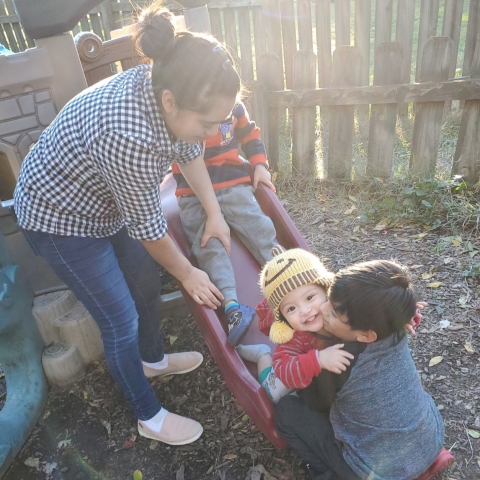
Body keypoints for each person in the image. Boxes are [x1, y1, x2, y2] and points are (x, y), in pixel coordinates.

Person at [13, 2, 241, 446]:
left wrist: (215, 213)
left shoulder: (164, 88)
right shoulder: (128, 135)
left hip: (103, 202)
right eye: (206, 123)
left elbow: (189, 149)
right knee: (119, 320)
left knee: (144, 284)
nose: (212, 134)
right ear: (171, 103)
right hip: (59, 219)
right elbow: (150, 230)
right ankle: (148, 415)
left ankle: (152, 360)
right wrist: (190, 272)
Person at [275, 259, 452, 480]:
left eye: (335, 313)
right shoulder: (396, 326)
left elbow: (315, 403)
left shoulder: (342, 360)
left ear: (366, 335)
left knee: (286, 411)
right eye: (329, 297)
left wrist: (315, 361)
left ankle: (324, 472)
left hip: (379, 470)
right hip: (431, 442)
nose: (323, 309)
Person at [172, 99, 278, 345]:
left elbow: (250, 135)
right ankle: (232, 308)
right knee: (209, 247)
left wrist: (259, 165)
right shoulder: (183, 114)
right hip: (193, 195)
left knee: (259, 229)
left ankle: (289, 278)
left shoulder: (233, 108)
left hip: (233, 185)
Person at [236, 247, 354, 403]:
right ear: (283, 319)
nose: (304, 311)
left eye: (310, 297)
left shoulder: (341, 310)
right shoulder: (296, 338)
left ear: (326, 289)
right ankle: (262, 356)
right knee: (274, 395)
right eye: (291, 309)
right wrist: (318, 360)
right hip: (303, 371)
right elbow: (283, 369)